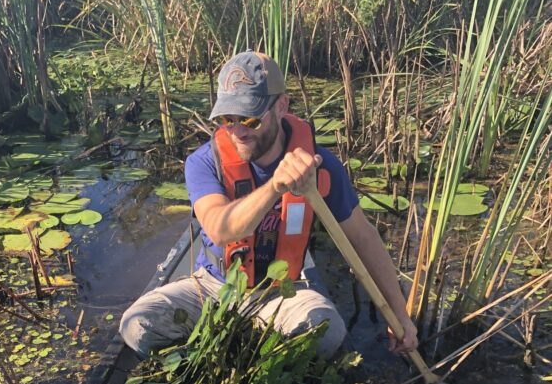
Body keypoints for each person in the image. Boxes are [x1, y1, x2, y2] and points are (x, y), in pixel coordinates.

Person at [120, 50, 418, 359]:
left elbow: (363, 238)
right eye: (227, 120)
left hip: (284, 290)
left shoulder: (319, 166)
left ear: (282, 106)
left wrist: (400, 316)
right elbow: (221, 229)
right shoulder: (205, 163)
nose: (238, 131)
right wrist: (275, 187)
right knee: (137, 325)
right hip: (213, 286)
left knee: (326, 332)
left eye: (250, 119)